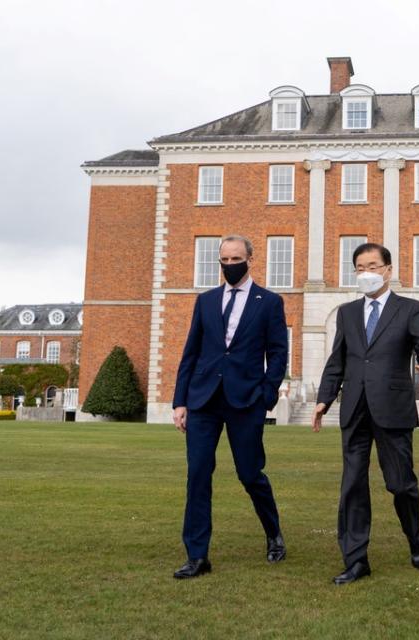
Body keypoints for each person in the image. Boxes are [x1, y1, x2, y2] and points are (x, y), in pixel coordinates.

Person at [312, 242, 419, 585]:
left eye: (372, 266)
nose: (365, 273)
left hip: (393, 408)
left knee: (400, 484)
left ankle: (415, 538)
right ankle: (356, 561)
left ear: (388, 269)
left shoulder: (409, 309)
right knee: (352, 485)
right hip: (354, 407)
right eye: (359, 268)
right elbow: (337, 359)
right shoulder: (347, 313)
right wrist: (324, 398)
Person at [171, 235, 288, 579]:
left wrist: (266, 393)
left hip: (245, 400)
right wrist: (180, 400)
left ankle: (273, 534)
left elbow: (278, 352)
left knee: (250, 474)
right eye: (224, 259)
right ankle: (197, 556)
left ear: (250, 259)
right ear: (219, 261)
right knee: (197, 475)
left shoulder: (269, 302)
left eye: (236, 258)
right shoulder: (205, 301)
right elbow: (190, 351)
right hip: (203, 400)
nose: (230, 264)